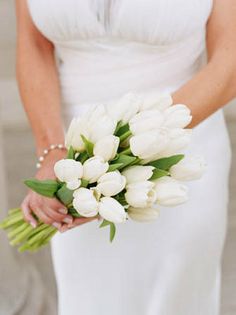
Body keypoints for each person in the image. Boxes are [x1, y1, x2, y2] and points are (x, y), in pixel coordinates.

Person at [15, 0, 235, 314]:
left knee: (176, 297)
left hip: (181, 140)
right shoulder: (67, 161)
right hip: (75, 155)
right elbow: (34, 43)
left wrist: (127, 151)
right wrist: (52, 153)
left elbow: (229, 65)